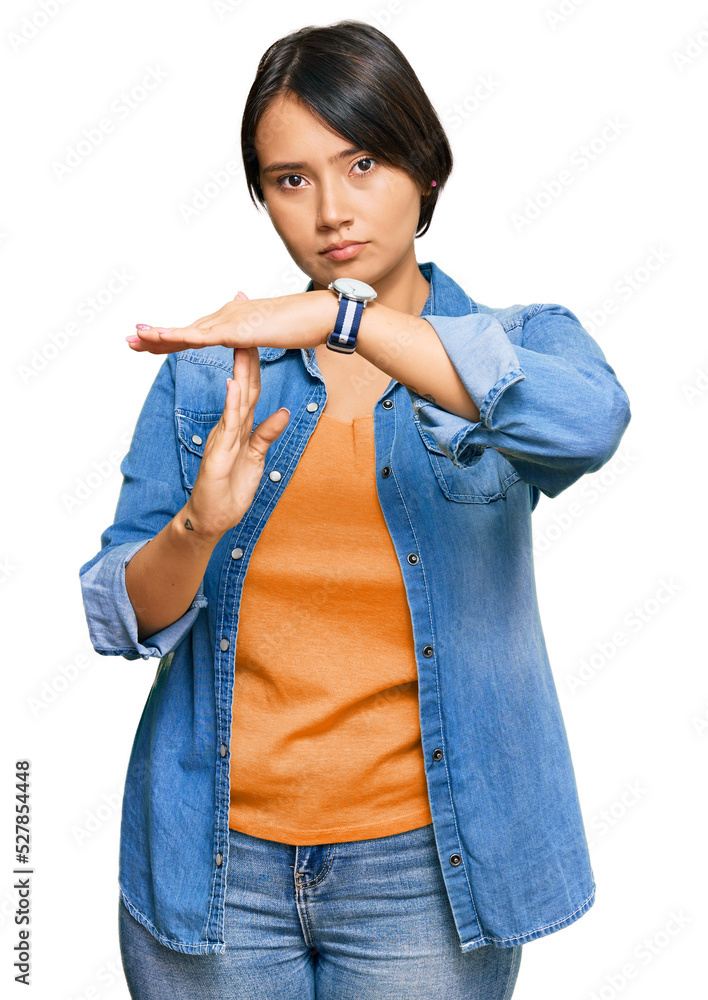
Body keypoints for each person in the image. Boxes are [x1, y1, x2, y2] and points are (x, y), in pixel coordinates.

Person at [79, 19, 631, 1000]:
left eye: (362, 161)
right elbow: (124, 618)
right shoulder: (214, 377)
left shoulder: (513, 345)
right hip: (214, 872)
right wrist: (199, 526)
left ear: (423, 166)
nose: (332, 208)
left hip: (423, 879)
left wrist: (348, 320)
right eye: (290, 179)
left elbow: (588, 423)